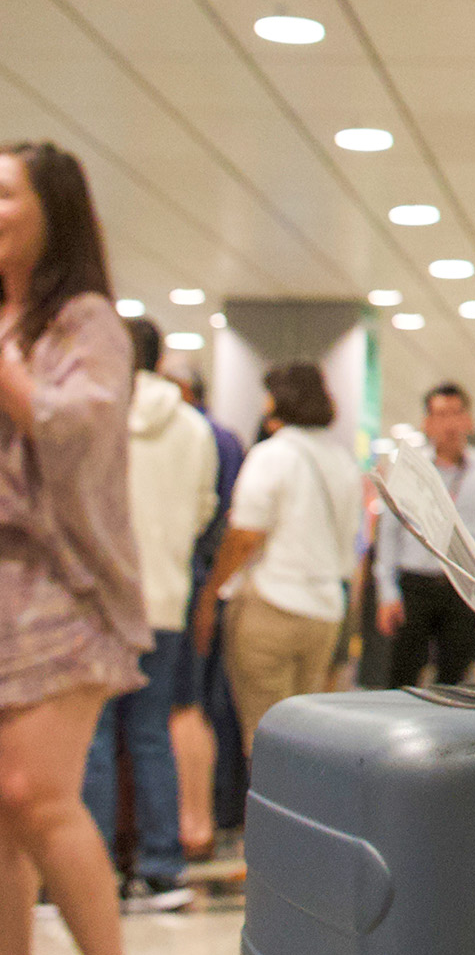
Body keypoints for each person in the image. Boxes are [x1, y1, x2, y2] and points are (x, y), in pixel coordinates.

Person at [0, 142, 143, 955]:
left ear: (51, 210)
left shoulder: (84, 320)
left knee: (36, 793)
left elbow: (76, 426)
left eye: (5, 193)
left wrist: (12, 377)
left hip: (65, 582)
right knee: (4, 808)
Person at [82, 317, 219, 913]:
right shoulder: (195, 428)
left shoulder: (97, 413)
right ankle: (162, 871)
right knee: (151, 731)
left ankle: (96, 872)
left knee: (94, 735)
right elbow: (202, 509)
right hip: (165, 597)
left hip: (101, 596)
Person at [194, 362, 361, 753]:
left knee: (266, 738)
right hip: (325, 612)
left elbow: (245, 535)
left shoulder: (273, 455)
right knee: (305, 741)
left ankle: (266, 815)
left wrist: (209, 596)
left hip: (271, 606)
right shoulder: (343, 462)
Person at [373, 382, 475, 689]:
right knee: (402, 676)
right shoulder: (409, 468)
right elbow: (390, 533)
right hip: (415, 584)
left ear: (469, 420)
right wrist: (387, 592)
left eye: (456, 413)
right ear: (427, 423)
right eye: (440, 414)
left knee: (455, 679)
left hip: (462, 587)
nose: (449, 423)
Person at [162, 362, 241, 858]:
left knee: (184, 707)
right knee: (204, 706)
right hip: (200, 582)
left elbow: (219, 518)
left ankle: (193, 823)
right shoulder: (224, 439)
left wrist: (207, 586)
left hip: (193, 582)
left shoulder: (196, 433)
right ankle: (208, 819)